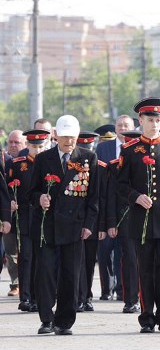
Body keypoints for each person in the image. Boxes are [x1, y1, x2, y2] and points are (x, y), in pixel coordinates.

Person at [117, 98, 160, 333]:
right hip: (141, 219)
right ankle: (146, 316)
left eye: (158, 120)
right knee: (145, 267)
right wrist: (135, 196)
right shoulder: (130, 149)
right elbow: (120, 185)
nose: (155, 124)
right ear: (141, 121)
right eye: (150, 120)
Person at [28, 115, 99, 335]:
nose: (69, 141)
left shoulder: (88, 158)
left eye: (73, 137)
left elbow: (94, 197)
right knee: (46, 272)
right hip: (47, 225)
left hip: (74, 225)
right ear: (56, 136)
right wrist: (40, 198)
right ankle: (46, 319)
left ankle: (65, 321)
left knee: (71, 274)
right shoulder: (43, 159)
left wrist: (89, 224)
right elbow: (31, 192)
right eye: (65, 137)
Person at [6, 129, 49, 312]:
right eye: (33, 146)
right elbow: (5, 188)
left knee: (43, 259)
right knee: (26, 258)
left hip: (45, 219)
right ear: (27, 146)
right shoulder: (16, 165)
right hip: (24, 217)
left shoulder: (50, 164)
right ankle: (25, 297)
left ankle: (41, 297)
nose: (37, 150)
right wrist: (10, 200)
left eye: (40, 146)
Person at [96, 115, 135, 301]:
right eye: (119, 125)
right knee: (104, 252)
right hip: (107, 206)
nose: (123, 128)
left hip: (130, 208)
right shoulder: (104, 147)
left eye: (126, 125)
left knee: (124, 254)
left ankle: (122, 290)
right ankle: (106, 289)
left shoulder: (138, 148)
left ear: (134, 127)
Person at [106, 130, 141, 314]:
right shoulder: (114, 166)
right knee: (129, 260)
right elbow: (111, 195)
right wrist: (111, 222)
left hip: (146, 217)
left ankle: (146, 298)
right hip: (125, 217)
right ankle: (130, 299)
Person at [75, 131, 105, 313]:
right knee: (77, 262)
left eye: (89, 147)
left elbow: (101, 198)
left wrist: (100, 225)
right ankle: (79, 297)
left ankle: (87, 297)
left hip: (92, 222)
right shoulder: (71, 166)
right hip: (75, 220)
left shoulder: (100, 167)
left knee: (89, 262)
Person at [3, 129, 26, 296]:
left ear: (24, 144)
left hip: (26, 212)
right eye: (10, 142)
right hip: (8, 212)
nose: (12, 145)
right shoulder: (5, 161)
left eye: (16, 142)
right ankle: (15, 283)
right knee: (11, 250)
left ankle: (27, 282)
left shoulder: (30, 161)